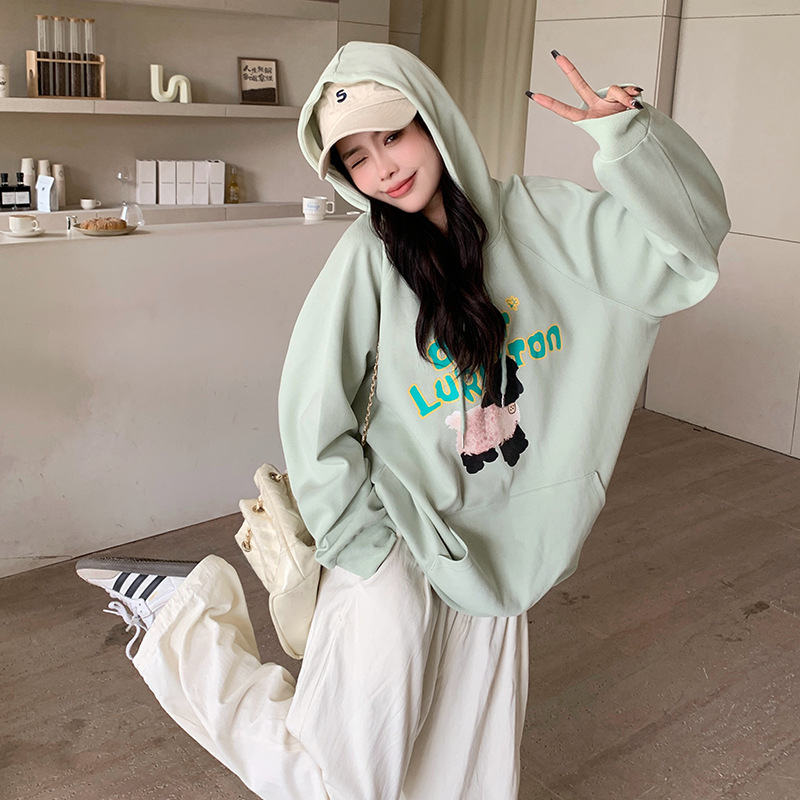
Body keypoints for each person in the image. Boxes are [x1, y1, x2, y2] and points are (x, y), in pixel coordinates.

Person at [76, 42, 730, 800]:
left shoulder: (544, 219)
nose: (383, 168)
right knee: (345, 788)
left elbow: (685, 252)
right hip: (399, 543)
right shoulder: (367, 256)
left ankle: (179, 618)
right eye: (356, 157)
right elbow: (313, 407)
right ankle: (180, 622)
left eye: (393, 135)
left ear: (434, 120)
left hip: (507, 550)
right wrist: (363, 545)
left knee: (466, 786)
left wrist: (629, 140)